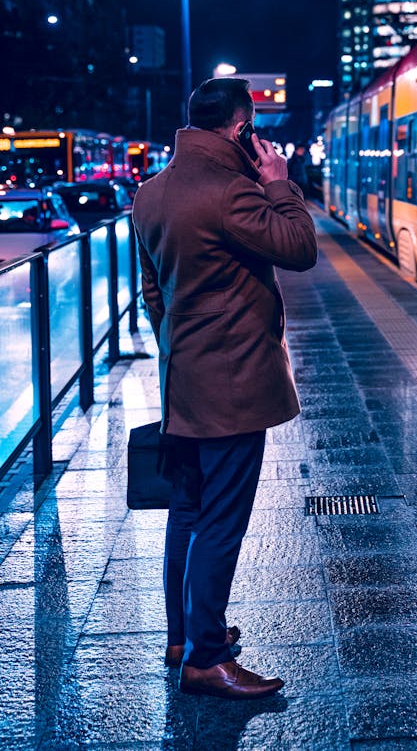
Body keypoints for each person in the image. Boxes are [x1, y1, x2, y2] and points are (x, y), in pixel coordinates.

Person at [131, 76, 317, 700]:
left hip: (183, 378)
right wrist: (277, 183)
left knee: (186, 512)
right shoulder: (231, 191)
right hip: (233, 384)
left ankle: (183, 636)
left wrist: (183, 343)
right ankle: (208, 660)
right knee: (220, 522)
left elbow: (154, 292)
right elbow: (298, 247)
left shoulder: (150, 194)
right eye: (252, 129)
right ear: (241, 128)